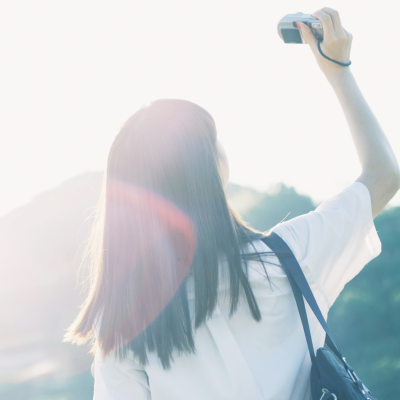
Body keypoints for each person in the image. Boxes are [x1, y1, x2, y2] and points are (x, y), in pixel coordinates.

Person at [64, 7, 399, 400]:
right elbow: (383, 175)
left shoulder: (124, 322)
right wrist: (338, 71)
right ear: (211, 167)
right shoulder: (289, 258)